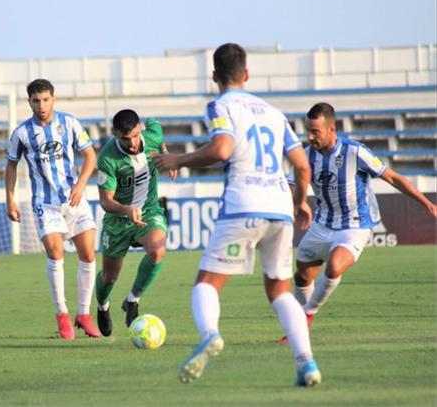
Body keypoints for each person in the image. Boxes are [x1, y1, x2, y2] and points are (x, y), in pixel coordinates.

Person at [154, 43, 321, 387]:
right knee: (280, 291)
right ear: (247, 74)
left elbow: (222, 149)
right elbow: (302, 166)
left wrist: (178, 160)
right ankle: (307, 364)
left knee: (207, 284)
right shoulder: (274, 113)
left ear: (214, 76)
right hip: (279, 209)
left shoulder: (220, 105)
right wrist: (300, 201)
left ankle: (210, 334)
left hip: (244, 205)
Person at [283, 102, 437, 340]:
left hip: (355, 226)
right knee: (302, 275)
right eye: (308, 131)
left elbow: (393, 178)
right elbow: (291, 187)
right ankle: (302, 326)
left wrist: (427, 203)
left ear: (331, 129)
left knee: (334, 266)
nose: (310, 137)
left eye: (316, 131)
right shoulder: (305, 156)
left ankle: (305, 316)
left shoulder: (355, 152)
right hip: (322, 224)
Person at [5, 78, 100, 340]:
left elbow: (90, 156)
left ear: (53, 99)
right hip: (45, 204)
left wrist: (81, 184)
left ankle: (84, 313)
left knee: (88, 255)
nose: (41, 104)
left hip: (74, 200)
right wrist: (10, 199)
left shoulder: (69, 123)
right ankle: (62, 314)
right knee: (55, 253)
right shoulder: (22, 133)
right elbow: (11, 165)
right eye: (36, 100)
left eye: (46, 99)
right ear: (30, 102)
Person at [94, 109, 177, 336]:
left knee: (158, 251)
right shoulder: (108, 159)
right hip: (117, 219)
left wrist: (165, 152)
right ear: (115, 134)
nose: (131, 143)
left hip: (149, 211)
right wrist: (126, 209)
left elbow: (155, 122)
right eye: (124, 138)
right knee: (109, 276)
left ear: (140, 128)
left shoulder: (151, 136)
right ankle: (102, 306)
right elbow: (105, 202)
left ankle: (133, 300)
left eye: (134, 136)